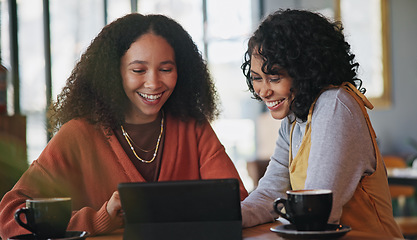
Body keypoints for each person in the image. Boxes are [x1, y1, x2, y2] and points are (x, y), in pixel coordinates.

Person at [0, 13, 248, 239]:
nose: (153, 83)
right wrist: (98, 219)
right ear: (113, 73)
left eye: (166, 69)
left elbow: (236, 204)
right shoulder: (78, 134)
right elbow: (8, 218)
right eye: (138, 70)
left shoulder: (193, 128)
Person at [240, 9, 403, 238]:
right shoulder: (294, 119)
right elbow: (269, 193)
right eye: (257, 78)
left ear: (305, 71)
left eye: (275, 78)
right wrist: (227, 218)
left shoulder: (334, 105)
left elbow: (318, 212)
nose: (264, 91)